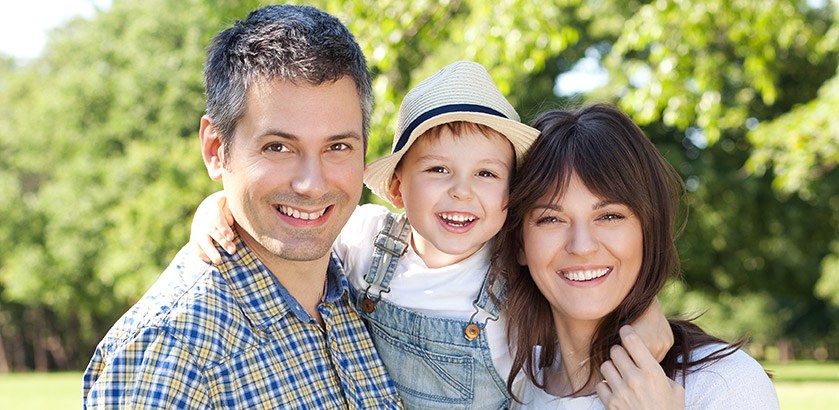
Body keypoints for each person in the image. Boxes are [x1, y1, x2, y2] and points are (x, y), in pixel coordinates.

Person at [192, 62, 674, 409]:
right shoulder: (366, 238)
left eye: (486, 175)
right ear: (398, 188)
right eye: (439, 169)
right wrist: (217, 207)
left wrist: (646, 315)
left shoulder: (512, 267)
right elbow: (292, 232)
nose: (462, 193)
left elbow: (582, 287)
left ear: (509, 198)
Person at [82, 5, 402, 408]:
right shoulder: (172, 352)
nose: (312, 184)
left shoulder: (367, 288)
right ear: (216, 149)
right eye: (278, 147)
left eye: (337, 147)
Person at [492, 104, 780, 409]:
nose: (582, 246)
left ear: (648, 230)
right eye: (551, 219)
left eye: (610, 216)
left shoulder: (723, 383)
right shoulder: (502, 382)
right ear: (520, 243)